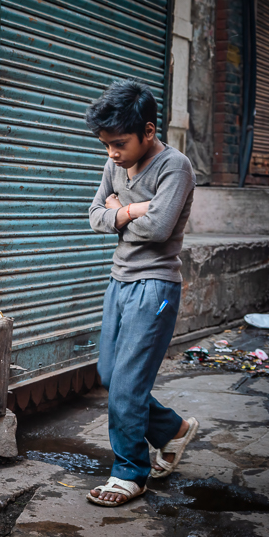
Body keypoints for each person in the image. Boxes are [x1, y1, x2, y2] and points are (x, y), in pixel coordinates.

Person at [85, 79, 200, 507]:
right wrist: (130, 209)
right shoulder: (115, 163)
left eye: (119, 143)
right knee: (111, 376)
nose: (112, 154)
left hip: (156, 286)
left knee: (127, 384)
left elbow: (158, 229)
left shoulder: (176, 167)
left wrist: (117, 211)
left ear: (149, 132)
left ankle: (130, 472)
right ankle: (172, 430)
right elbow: (95, 215)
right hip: (119, 281)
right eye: (106, 145)